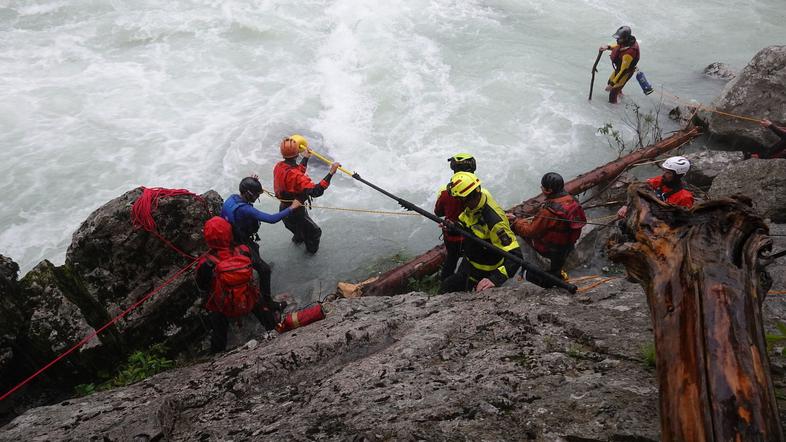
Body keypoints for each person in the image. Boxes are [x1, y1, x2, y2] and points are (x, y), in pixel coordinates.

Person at [221, 176, 302, 328]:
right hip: (240, 243)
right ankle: (269, 303)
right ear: (248, 194)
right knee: (265, 270)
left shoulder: (232, 199)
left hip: (234, 238)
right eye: (256, 195)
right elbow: (271, 219)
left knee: (255, 251)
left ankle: (255, 269)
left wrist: (252, 181)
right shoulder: (245, 209)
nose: (258, 197)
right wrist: (292, 208)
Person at [195, 217, 280, 353]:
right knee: (260, 304)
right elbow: (261, 268)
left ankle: (217, 354)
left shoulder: (205, 263)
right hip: (248, 298)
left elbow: (203, 288)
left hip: (222, 306)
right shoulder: (243, 250)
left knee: (217, 323)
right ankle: (275, 328)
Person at [438, 172, 522, 294]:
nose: (457, 201)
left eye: (458, 199)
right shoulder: (476, 202)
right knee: (448, 286)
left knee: (447, 288)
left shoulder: (495, 222)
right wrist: (454, 226)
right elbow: (468, 223)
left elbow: (516, 256)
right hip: (469, 263)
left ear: (466, 198)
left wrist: (494, 279)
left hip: (483, 272)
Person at [509, 173, 586, 286]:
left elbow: (530, 231)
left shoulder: (548, 212)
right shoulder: (572, 200)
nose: (541, 189)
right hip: (567, 246)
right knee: (556, 269)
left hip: (550, 249)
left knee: (520, 229)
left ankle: (529, 274)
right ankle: (556, 273)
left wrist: (516, 221)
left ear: (549, 190)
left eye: (542, 187)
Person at [273, 135, 341, 254]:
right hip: (296, 212)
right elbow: (316, 191)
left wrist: (305, 158)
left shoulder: (279, 166)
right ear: (296, 154)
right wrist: (331, 172)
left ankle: (298, 240)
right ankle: (310, 254)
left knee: (299, 232)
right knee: (315, 233)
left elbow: (294, 174)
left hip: (284, 209)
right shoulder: (296, 175)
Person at [434, 153, 476, 280]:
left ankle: (445, 282)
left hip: (451, 237)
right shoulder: (477, 191)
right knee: (471, 259)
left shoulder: (445, 192)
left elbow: (438, 212)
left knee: (451, 259)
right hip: (471, 236)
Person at [617, 156, 694, 219]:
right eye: (664, 170)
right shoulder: (659, 181)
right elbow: (639, 189)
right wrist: (626, 206)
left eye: (668, 172)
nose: (663, 174)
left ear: (678, 176)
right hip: (651, 212)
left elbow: (682, 220)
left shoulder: (685, 198)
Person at [599, 26, 640, 104]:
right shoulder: (626, 42)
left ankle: (615, 109)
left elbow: (623, 71)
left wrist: (612, 85)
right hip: (620, 69)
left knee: (612, 93)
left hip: (626, 72)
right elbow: (618, 47)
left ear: (625, 38)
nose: (617, 40)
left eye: (619, 38)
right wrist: (608, 47)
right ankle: (620, 94)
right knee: (610, 82)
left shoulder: (629, 53)